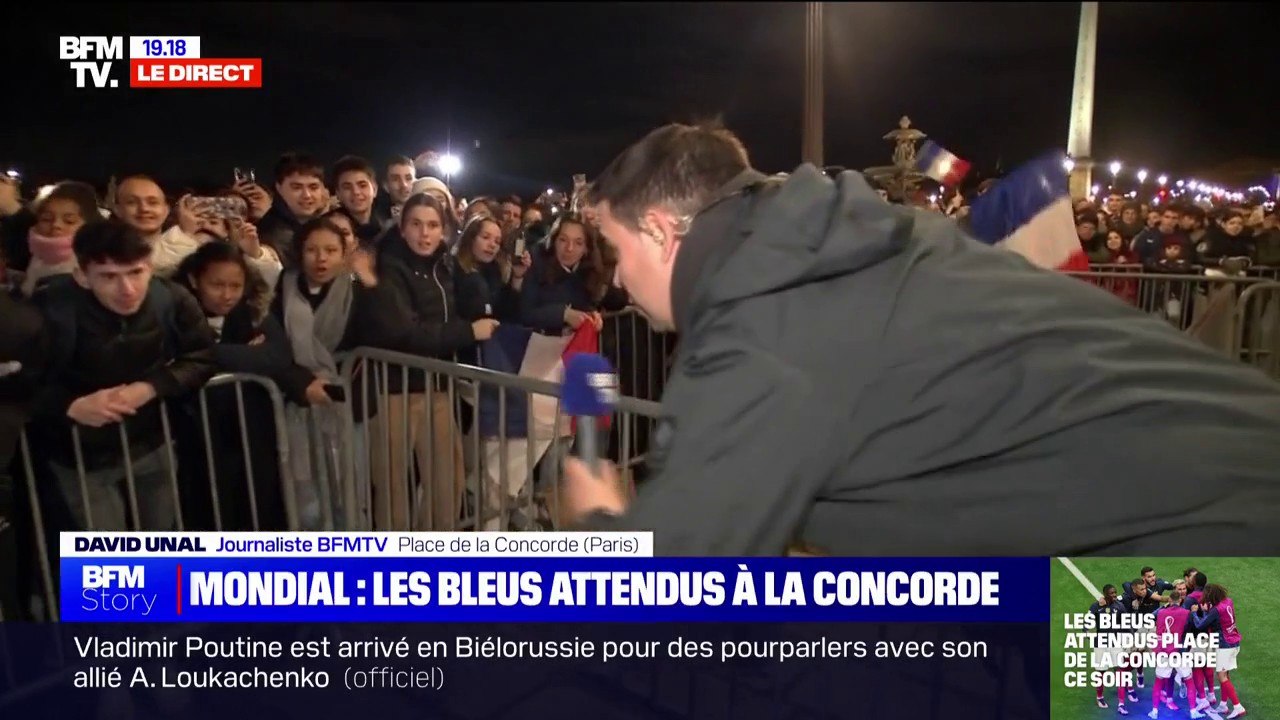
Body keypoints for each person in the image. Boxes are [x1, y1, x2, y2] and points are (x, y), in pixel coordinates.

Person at [561, 122, 1280, 556]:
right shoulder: (842, 244)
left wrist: (595, 510)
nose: (617, 280)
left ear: (660, 228)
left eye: (617, 251)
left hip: (1210, 556)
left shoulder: (763, 322)